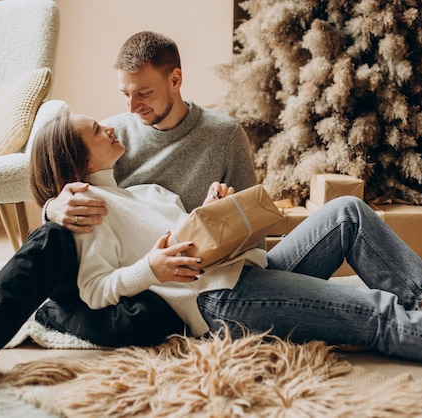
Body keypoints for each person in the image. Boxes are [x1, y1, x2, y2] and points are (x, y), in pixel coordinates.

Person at [0, 107, 422, 399]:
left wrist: (225, 210)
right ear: (75, 158)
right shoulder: (88, 208)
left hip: (249, 265)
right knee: (369, 312)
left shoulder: (140, 188)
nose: (109, 126)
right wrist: (151, 271)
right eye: (93, 130)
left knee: (348, 214)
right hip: (223, 300)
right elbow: (94, 290)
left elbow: (199, 232)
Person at [37, 30, 259, 344]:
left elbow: (252, 232)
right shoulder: (114, 135)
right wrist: (51, 208)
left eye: (143, 93)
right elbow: (72, 180)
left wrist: (217, 215)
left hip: (215, 275)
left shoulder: (224, 136)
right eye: (125, 93)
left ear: (175, 80)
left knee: (344, 215)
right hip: (147, 286)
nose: (132, 107)